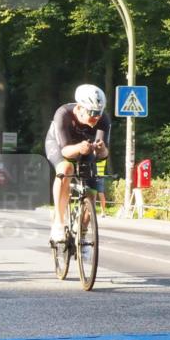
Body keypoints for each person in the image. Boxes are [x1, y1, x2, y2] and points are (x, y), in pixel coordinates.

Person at [44, 85, 110, 255]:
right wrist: (80, 148)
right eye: (92, 113)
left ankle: (81, 234)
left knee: (91, 193)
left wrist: (101, 149)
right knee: (66, 168)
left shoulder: (103, 119)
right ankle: (59, 222)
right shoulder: (63, 114)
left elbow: (103, 155)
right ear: (79, 108)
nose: (96, 117)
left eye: (99, 112)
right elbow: (65, 150)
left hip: (86, 149)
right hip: (61, 145)